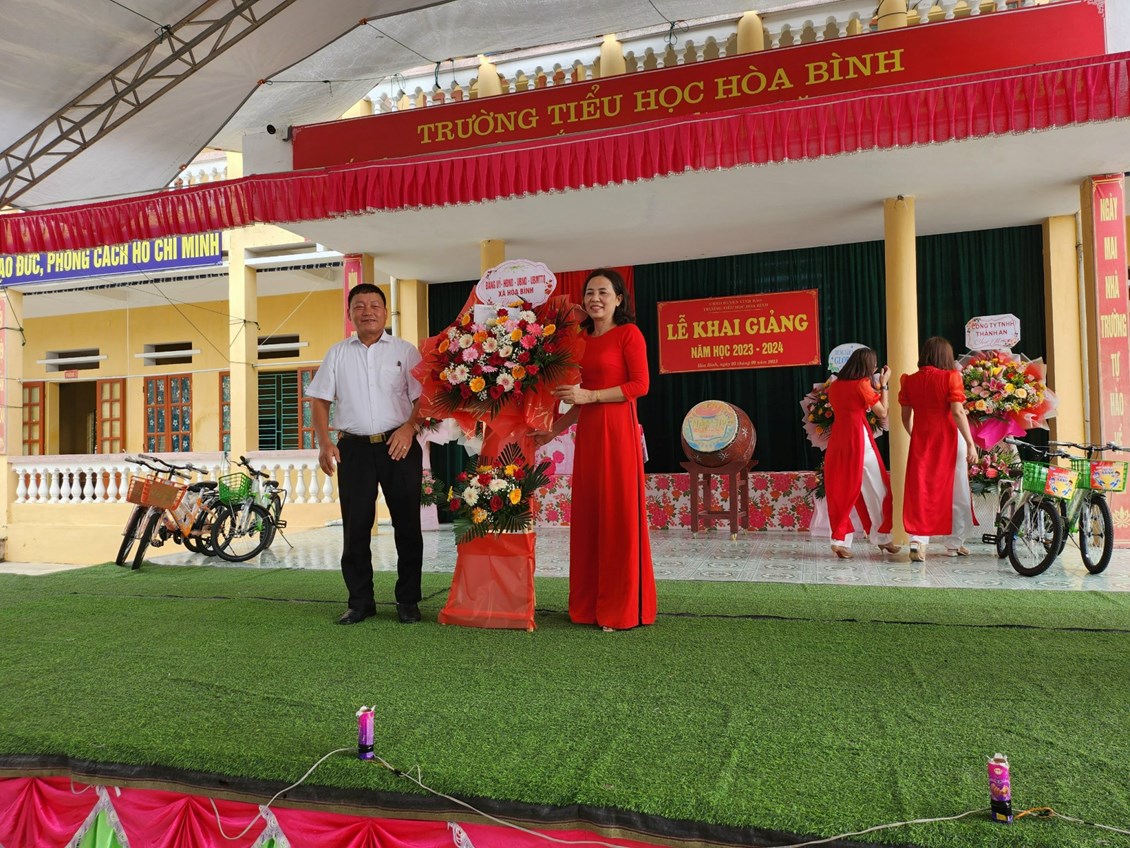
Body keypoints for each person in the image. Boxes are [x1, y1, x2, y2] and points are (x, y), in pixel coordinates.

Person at [534, 269, 656, 631]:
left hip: (618, 433)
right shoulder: (581, 340)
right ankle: (587, 606)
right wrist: (552, 431)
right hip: (588, 435)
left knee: (617, 514)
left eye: (603, 292)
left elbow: (640, 385)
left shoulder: (629, 334)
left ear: (619, 299)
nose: (595, 298)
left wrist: (592, 395)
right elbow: (579, 399)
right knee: (590, 515)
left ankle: (620, 608)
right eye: (589, 292)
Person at [306, 283, 425, 625]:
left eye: (374, 305)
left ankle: (408, 601)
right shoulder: (337, 353)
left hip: (399, 445)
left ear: (385, 312)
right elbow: (319, 400)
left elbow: (424, 397)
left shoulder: (405, 351)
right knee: (355, 527)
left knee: (407, 525)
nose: (367, 311)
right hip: (353, 449)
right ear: (350, 314)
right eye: (359, 306)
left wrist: (409, 428)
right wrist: (324, 442)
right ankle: (360, 602)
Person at [899, 336, 979, 561]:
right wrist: (970, 443)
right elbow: (957, 412)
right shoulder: (951, 377)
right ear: (945, 356)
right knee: (957, 490)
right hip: (950, 439)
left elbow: (905, 417)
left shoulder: (908, 381)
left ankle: (917, 540)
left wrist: (915, 434)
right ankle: (954, 543)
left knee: (921, 489)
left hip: (921, 440)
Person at [824, 347, 897, 559]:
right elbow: (883, 412)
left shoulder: (835, 385)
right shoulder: (862, 384)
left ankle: (839, 541)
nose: (875, 368)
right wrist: (884, 385)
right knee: (878, 489)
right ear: (867, 366)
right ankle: (882, 537)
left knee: (841, 489)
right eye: (873, 365)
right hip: (858, 439)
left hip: (838, 440)